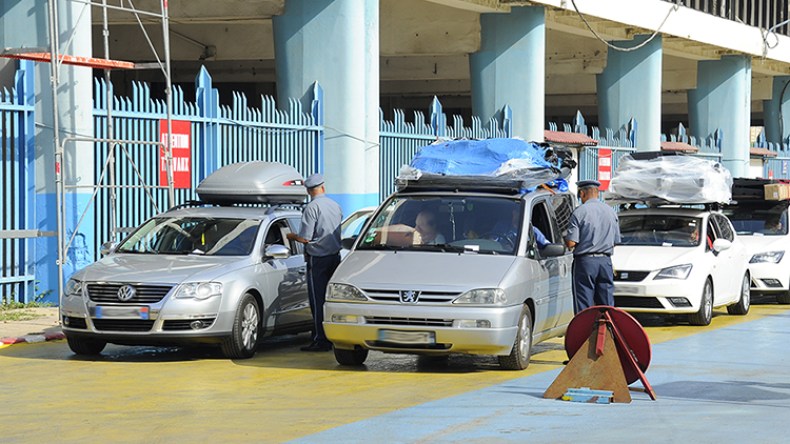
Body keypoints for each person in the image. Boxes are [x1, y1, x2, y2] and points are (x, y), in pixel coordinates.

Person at [286, 173, 342, 352]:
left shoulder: (311, 208)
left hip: (318, 259)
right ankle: (333, 336)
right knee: (330, 300)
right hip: (334, 256)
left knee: (317, 300)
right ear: (323, 187)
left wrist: (290, 235)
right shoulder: (335, 205)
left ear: (309, 190)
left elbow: (304, 238)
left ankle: (321, 340)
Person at [564, 179, 621, 314]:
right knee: (607, 305)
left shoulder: (579, 212)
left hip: (585, 263)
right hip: (605, 262)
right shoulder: (611, 212)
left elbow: (571, 243)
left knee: (584, 306)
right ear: (596, 193)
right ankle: (607, 332)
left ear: (582, 193)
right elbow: (616, 240)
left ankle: (586, 333)